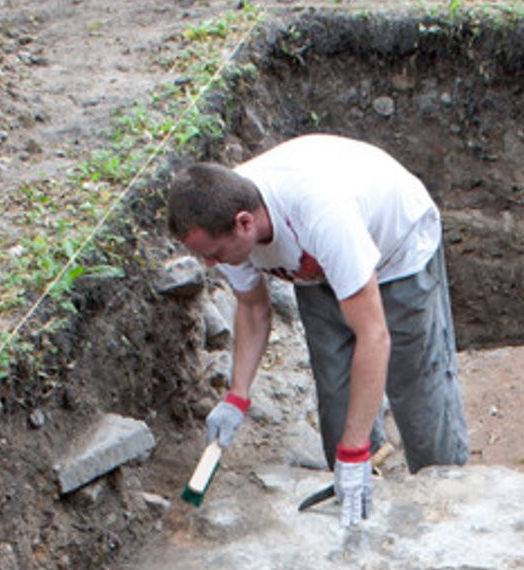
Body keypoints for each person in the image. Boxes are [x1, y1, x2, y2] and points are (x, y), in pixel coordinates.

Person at [167, 134, 469, 524]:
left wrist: (354, 450)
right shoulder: (220, 217)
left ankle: (447, 500)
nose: (210, 265)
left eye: (214, 255)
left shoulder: (321, 214)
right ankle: (360, 493)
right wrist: (236, 397)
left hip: (399, 250)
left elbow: (374, 336)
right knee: (334, 388)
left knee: (415, 387)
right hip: (316, 269)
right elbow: (253, 307)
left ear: (244, 224)